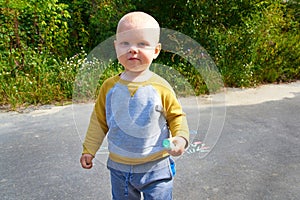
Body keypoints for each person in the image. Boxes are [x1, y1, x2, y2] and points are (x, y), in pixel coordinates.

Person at [80, 11, 189, 200]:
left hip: (156, 167)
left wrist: (180, 138)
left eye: (142, 44)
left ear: (156, 51)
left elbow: (176, 117)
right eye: (125, 43)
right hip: (119, 169)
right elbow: (99, 121)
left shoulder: (160, 86)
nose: (133, 49)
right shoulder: (109, 87)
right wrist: (89, 149)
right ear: (116, 47)